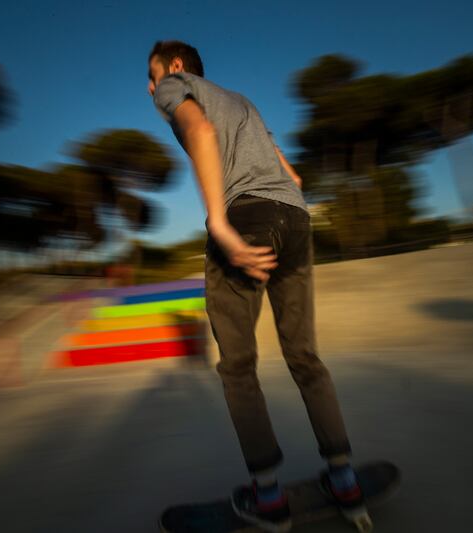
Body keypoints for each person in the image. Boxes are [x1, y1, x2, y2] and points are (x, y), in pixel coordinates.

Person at [148, 40, 366, 532]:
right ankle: (345, 479)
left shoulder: (173, 89)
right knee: (305, 356)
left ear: (176, 67)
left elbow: (199, 130)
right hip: (294, 217)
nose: (150, 84)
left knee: (238, 367)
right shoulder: (243, 101)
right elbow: (293, 175)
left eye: (152, 73)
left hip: (245, 216)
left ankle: (268, 497)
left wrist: (220, 223)